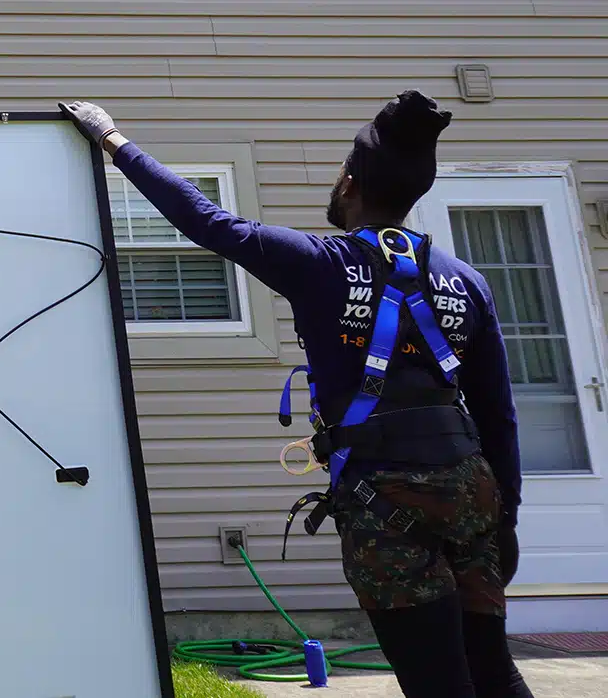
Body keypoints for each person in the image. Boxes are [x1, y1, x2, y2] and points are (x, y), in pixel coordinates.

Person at [62, 93, 533, 698]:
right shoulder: (466, 280)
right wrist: (508, 517)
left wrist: (112, 140)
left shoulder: (319, 262)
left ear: (350, 181)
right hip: (472, 492)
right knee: (493, 670)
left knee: (437, 683)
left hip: (388, 498)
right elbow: (497, 412)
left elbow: (209, 222)